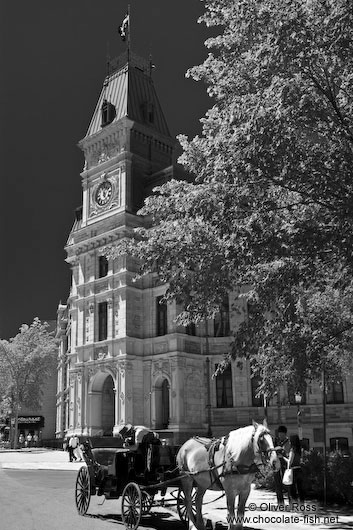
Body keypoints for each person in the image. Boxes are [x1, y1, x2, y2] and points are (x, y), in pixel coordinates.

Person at [284, 434, 305, 506]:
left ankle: (295, 504)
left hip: (293, 471)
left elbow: (290, 461)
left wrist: (283, 457)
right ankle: (302, 504)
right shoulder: (299, 450)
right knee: (300, 489)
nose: (289, 442)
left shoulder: (292, 449)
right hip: (299, 469)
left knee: (292, 489)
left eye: (290, 440)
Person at [273, 425, 290, 507]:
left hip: (285, 464)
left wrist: (283, 453)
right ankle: (280, 503)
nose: (280, 436)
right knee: (277, 484)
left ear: (285, 434)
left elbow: (288, 452)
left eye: (282, 434)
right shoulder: (275, 441)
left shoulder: (288, 442)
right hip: (276, 463)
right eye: (279, 434)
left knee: (287, 483)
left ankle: (291, 501)